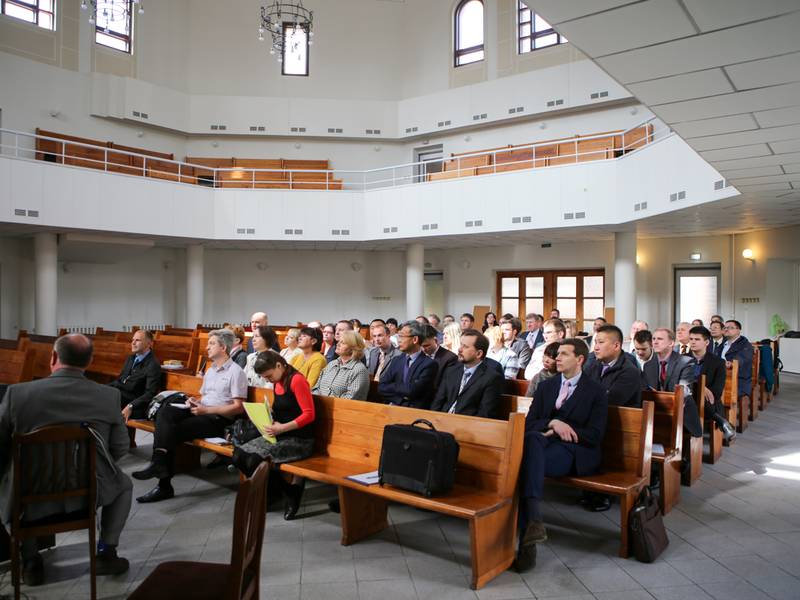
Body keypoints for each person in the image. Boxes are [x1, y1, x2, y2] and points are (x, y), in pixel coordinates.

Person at [0, 334, 133, 583]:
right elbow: (120, 447)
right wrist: (89, 466)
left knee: (8, 482)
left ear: (53, 357)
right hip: (87, 492)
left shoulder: (17, 395)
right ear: (89, 361)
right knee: (123, 484)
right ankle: (106, 551)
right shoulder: (107, 396)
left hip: (29, 497)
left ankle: (29, 560)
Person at [515, 339, 607, 572]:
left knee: (526, 456)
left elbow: (595, 435)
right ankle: (531, 528)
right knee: (533, 440)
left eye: (564, 354)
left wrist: (566, 430)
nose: (557, 357)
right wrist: (554, 422)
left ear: (580, 360)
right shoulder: (547, 386)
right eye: (557, 354)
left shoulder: (595, 391)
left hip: (574, 451)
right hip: (543, 445)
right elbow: (529, 423)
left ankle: (530, 529)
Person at [133, 329, 247, 503]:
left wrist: (205, 410)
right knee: (166, 411)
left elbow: (238, 408)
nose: (207, 347)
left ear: (223, 347)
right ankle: (159, 464)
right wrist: (195, 401)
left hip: (217, 419)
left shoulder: (236, 372)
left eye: (211, 344)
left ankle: (163, 482)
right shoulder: (211, 370)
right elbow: (205, 396)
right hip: (202, 411)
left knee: (170, 430)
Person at [232, 352, 315, 520]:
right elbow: (285, 408)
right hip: (279, 434)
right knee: (238, 455)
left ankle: (290, 492)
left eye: (269, 376)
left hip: (299, 438)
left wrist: (282, 428)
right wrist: (268, 413)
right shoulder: (277, 381)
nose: (269, 380)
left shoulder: (297, 380)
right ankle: (283, 490)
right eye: (265, 378)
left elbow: (309, 414)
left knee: (254, 459)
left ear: (279, 365)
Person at [641, 328, 702, 438]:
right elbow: (646, 391)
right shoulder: (648, 365)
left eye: (660, 339)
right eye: (653, 339)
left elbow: (684, 392)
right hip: (656, 412)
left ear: (671, 343)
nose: (655, 342)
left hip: (681, 412)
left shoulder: (685, 362)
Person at [430, 329, 503, 418]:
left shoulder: (491, 378)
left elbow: (485, 414)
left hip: (467, 427)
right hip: (441, 422)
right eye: (461, 345)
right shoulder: (452, 371)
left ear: (479, 354)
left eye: (465, 346)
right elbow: (438, 402)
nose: (460, 349)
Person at [688, 326, 736, 441]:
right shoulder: (682, 359)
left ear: (707, 342)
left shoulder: (718, 363)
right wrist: (700, 387)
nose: (693, 342)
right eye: (691, 339)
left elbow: (717, 391)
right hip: (686, 399)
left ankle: (689, 451)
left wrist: (700, 390)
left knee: (696, 400)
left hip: (709, 402)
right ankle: (722, 421)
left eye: (697, 339)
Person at [378, 321, 437, 409]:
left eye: (401, 336)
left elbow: (412, 391)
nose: (398, 340)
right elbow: (381, 387)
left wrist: (393, 387)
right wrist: (401, 398)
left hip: (415, 412)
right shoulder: (397, 360)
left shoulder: (429, 364)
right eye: (398, 336)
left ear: (415, 339)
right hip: (393, 408)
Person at [584, 325, 641, 408]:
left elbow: (609, 400)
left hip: (616, 419)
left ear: (616, 346)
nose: (596, 347)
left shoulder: (630, 371)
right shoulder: (593, 365)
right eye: (595, 342)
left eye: (601, 342)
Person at [112, 329, 162, 421]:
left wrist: (131, 406)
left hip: (135, 402)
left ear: (149, 344)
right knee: (99, 392)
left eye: (137, 340)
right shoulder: (131, 358)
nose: (133, 343)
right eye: (133, 340)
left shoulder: (153, 364)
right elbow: (120, 380)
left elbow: (150, 394)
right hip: (120, 395)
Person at [313, 330, 370, 400]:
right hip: (320, 406)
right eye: (339, 341)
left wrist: (326, 404)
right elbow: (316, 387)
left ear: (353, 348)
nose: (338, 344)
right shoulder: (331, 364)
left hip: (341, 409)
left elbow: (349, 399)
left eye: (342, 343)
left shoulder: (359, 370)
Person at [720, 319, 754, 410]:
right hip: (721, 376)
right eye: (725, 327)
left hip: (738, 380)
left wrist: (731, 363)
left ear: (738, 330)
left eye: (731, 328)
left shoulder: (745, 345)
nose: (727, 329)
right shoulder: (723, 343)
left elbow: (741, 358)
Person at [421, 325, 458, 389]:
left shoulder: (450, 358)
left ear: (435, 340)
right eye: (421, 346)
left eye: (426, 346)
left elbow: (447, 386)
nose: (423, 349)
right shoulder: (419, 356)